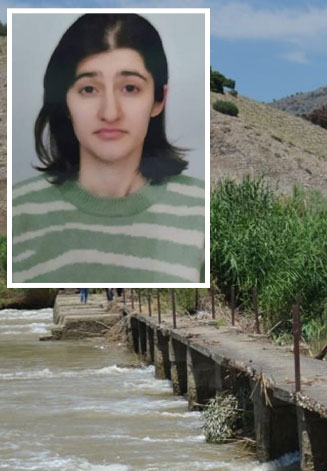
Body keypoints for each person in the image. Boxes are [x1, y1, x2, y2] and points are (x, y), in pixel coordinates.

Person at [12, 13, 204, 284]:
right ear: (64, 101)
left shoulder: (202, 210)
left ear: (158, 100)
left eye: (129, 88)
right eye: (89, 89)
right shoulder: (19, 211)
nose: (110, 112)